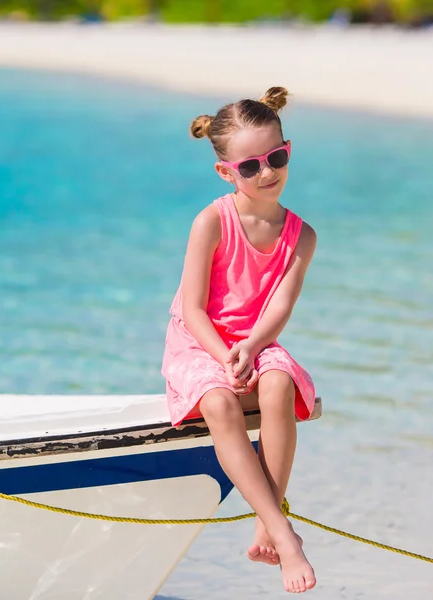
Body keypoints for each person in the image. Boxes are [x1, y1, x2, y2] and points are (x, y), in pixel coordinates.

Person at [161, 87, 317, 594]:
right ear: (227, 172)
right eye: (250, 166)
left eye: (276, 157)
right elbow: (191, 307)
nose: (267, 172)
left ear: (287, 149)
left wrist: (250, 348)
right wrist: (223, 353)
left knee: (277, 387)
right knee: (221, 404)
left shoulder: (301, 234)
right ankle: (284, 534)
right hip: (199, 339)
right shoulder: (211, 221)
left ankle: (264, 522)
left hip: (255, 339)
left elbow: (280, 307)